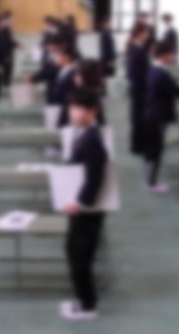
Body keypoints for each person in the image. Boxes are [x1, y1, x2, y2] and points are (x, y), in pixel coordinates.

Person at [60, 88, 108, 322]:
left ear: (93, 112)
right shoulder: (82, 133)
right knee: (74, 252)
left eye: (80, 109)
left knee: (80, 258)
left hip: (87, 210)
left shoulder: (92, 140)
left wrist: (80, 203)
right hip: (79, 206)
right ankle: (82, 299)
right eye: (72, 108)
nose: (74, 113)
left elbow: (94, 179)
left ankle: (88, 306)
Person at [143, 40, 179, 193]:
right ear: (163, 55)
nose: (172, 57)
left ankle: (150, 180)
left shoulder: (154, 69)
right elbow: (177, 91)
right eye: (171, 54)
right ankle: (152, 182)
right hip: (157, 116)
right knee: (156, 149)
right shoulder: (161, 73)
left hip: (152, 113)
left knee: (153, 149)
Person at [126, 22, 152, 156]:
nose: (148, 35)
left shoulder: (136, 47)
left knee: (138, 117)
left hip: (137, 87)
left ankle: (138, 145)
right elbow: (138, 72)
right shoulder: (138, 49)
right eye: (146, 32)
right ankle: (138, 146)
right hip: (140, 88)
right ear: (140, 33)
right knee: (139, 118)